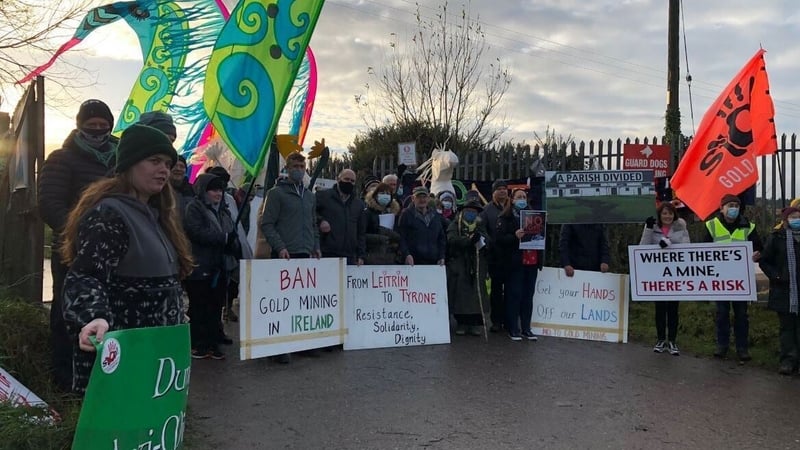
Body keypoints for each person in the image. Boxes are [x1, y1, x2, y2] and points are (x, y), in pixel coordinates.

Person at [59, 123, 192, 394]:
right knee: (121, 433)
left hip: (156, 354)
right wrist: (94, 317)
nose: (164, 169)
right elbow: (86, 275)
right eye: (154, 161)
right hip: (124, 355)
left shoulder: (157, 216)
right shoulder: (109, 215)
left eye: (167, 163)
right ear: (129, 163)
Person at [38, 99, 119, 391]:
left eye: (103, 125)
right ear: (79, 126)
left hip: (113, 254)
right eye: (91, 125)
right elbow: (49, 204)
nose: (98, 130)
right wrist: (81, 235)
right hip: (72, 252)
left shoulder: (120, 159)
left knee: (106, 313)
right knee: (66, 314)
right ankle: (65, 381)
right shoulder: (61, 159)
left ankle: (104, 379)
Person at [260, 152, 321, 364]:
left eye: (302, 165)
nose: (299, 169)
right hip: (284, 255)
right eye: (295, 165)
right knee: (282, 304)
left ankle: (301, 344)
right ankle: (278, 347)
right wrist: (280, 247)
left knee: (301, 303)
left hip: (304, 253)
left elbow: (313, 224)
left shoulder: (309, 196)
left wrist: (316, 246)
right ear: (287, 168)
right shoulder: (276, 194)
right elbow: (266, 223)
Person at [183, 173, 241, 360]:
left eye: (220, 190)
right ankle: (199, 344)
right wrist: (224, 238)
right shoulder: (194, 208)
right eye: (214, 190)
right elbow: (196, 232)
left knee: (215, 305)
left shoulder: (223, 211)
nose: (218, 193)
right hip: (201, 265)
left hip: (219, 265)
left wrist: (233, 244)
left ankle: (213, 340)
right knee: (200, 306)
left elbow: (231, 231)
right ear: (204, 190)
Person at [704, 193, 763, 361]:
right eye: (730, 206)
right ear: (722, 209)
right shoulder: (711, 225)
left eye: (736, 206)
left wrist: (757, 254)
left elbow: (759, 247)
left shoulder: (749, 227)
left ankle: (742, 348)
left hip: (741, 280)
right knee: (722, 313)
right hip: (720, 279)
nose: (733, 209)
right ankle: (722, 345)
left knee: (741, 314)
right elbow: (703, 250)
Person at [640, 202, 690, 356]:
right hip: (658, 276)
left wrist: (671, 243)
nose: (667, 216)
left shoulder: (681, 228)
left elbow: (688, 247)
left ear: (674, 215)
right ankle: (661, 339)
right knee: (660, 308)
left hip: (675, 275)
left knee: (673, 309)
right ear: (659, 215)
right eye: (664, 213)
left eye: (670, 213)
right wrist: (648, 229)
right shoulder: (652, 227)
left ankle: (673, 341)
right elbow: (642, 247)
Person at [495, 189, 542, 341]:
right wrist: (514, 237)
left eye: (524, 197)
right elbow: (499, 239)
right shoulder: (505, 217)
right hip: (515, 262)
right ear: (512, 200)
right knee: (514, 295)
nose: (522, 199)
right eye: (519, 197)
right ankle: (513, 328)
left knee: (528, 296)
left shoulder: (534, 216)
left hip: (531, 261)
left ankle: (526, 328)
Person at [759, 207, 800, 374]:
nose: (796, 219)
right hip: (784, 291)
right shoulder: (777, 238)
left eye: (799, 216)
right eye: (793, 217)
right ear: (785, 220)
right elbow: (765, 261)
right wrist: (776, 277)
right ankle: (788, 360)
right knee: (787, 327)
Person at [446, 200, 489, 336]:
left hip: (477, 263)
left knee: (476, 294)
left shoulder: (480, 225)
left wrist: (481, 240)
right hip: (460, 263)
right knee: (460, 294)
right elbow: (451, 239)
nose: (471, 214)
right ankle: (461, 323)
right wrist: (468, 241)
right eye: (468, 211)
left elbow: (488, 240)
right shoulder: (455, 224)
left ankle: (475, 324)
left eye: (473, 211)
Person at [316, 168, 367, 265]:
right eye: (346, 179)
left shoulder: (358, 204)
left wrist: (361, 255)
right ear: (338, 179)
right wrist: (321, 221)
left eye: (352, 181)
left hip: (350, 256)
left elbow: (361, 232)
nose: (349, 182)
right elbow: (311, 214)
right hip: (327, 254)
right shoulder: (323, 196)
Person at [480, 179, 510, 332]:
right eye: (499, 189)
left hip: (511, 256)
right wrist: (491, 242)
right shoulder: (487, 210)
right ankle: (496, 321)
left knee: (511, 290)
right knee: (496, 290)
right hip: (495, 257)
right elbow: (482, 230)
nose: (503, 191)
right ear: (493, 192)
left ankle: (509, 319)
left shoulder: (513, 208)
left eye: (505, 188)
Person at [397, 186, 446, 266]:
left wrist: (441, 256)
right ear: (413, 198)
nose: (422, 200)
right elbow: (402, 237)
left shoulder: (435, 215)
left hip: (433, 262)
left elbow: (441, 238)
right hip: (413, 262)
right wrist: (406, 254)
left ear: (428, 198)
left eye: (424, 197)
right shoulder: (406, 214)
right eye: (419, 197)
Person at [363, 182, 401, 265]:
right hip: (372, 257)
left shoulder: (395, 213)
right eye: (382, 193)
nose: (385, 195)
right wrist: (380, 237)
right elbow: (362, 235)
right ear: (375, 195)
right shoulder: (367, 213)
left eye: (388, 194)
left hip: (390, 257)